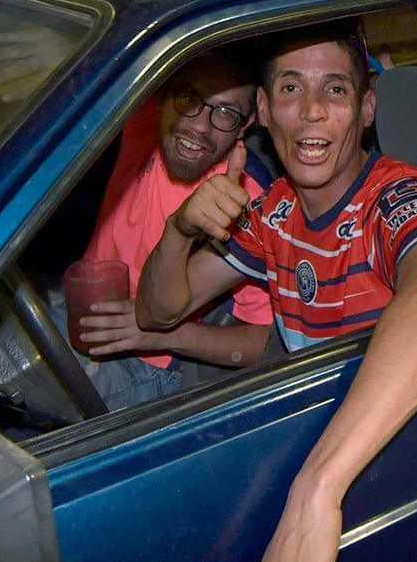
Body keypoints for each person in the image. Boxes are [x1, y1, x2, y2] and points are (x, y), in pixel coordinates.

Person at [135, 23, 417, 562]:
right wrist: (179, 229)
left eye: (335, 90)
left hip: (381, 456)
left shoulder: (400, 196)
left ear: (367, 109)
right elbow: (158, 312)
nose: (313, 110)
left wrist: (316, 490)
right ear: (264, 110)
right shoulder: (274, 211)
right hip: (309, 441)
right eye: (292, 88)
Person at [60, 51, 274, 409]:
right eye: (189, 98)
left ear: (246, 123)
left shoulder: (247, 198)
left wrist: (164, 335)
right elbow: (108, 73)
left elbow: (262, 342)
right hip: (81, 308)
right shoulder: (148, 123)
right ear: (164, 96)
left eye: (225, 112)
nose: (200, 126)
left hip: (149, 363)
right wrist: (66, 53)